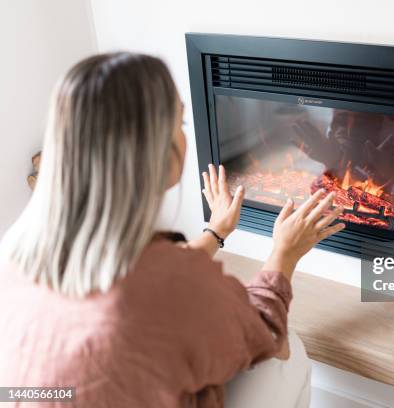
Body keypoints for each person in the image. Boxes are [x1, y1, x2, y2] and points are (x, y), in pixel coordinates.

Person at [0, 52, 345, 407]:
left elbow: (127, 282)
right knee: (287, 358)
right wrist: (283, 252)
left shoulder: (16, 248)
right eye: (179, 124)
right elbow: (265, 332)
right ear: (156, 152)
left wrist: (214, 232)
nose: (184, 136)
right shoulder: (169, 286)